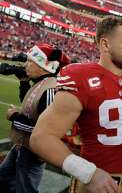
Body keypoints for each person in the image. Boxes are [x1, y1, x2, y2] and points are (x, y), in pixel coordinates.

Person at [30, 16, 122, 193]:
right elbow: (41, 138)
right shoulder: (81, 78)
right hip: (96, 182)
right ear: (105, 45)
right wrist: (88, 173)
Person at [0, 44, 70, 193]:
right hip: (22, 145)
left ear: (43, 66)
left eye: (31, 61)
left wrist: (14, 117)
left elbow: (45, 130)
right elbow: (28, 104)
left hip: (33, 152)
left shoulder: (51, 88)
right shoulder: (42, 83)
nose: (26, 65)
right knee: (4, 178)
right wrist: (24, 81)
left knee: (25, 189)